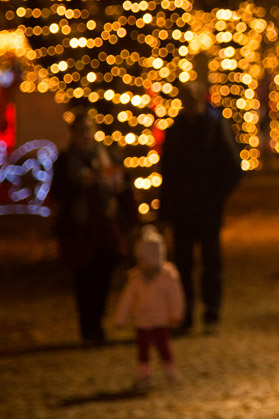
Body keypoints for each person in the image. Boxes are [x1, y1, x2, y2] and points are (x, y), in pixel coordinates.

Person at [158, 81, 242, 333]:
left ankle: (211, 311)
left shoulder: (214, 126)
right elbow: (168, 171)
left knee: (210, 262)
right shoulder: (176, 129)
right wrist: (166, 207)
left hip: (207, 208)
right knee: (183, 263)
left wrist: (216, 198)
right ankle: (186, 312)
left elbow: (232, 168)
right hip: (183, 209)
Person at [52, 114, 136, 345]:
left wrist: (118, 186)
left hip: (107, 227)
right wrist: (81, 184)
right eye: (81, 130)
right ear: (73, 134)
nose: (86, 135)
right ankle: (87, 327)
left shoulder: (108, 156)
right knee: (84, 278)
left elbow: (124, 188)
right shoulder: (66, 160)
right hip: (80, 228)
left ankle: (98, 324)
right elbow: (57, 192)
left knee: (104, 277)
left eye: (89, 130)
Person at [114, 225, 185, 390]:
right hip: (142, 321)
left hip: (161, 320)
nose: (141, 263)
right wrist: (120, 318)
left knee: (164, 346)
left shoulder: (167, 277)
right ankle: (145, 376)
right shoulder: (136, 278)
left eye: (144, 259)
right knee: (143, 350)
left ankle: (170, 371)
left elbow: (175, 297)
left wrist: (176, 314)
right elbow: (127, 299)